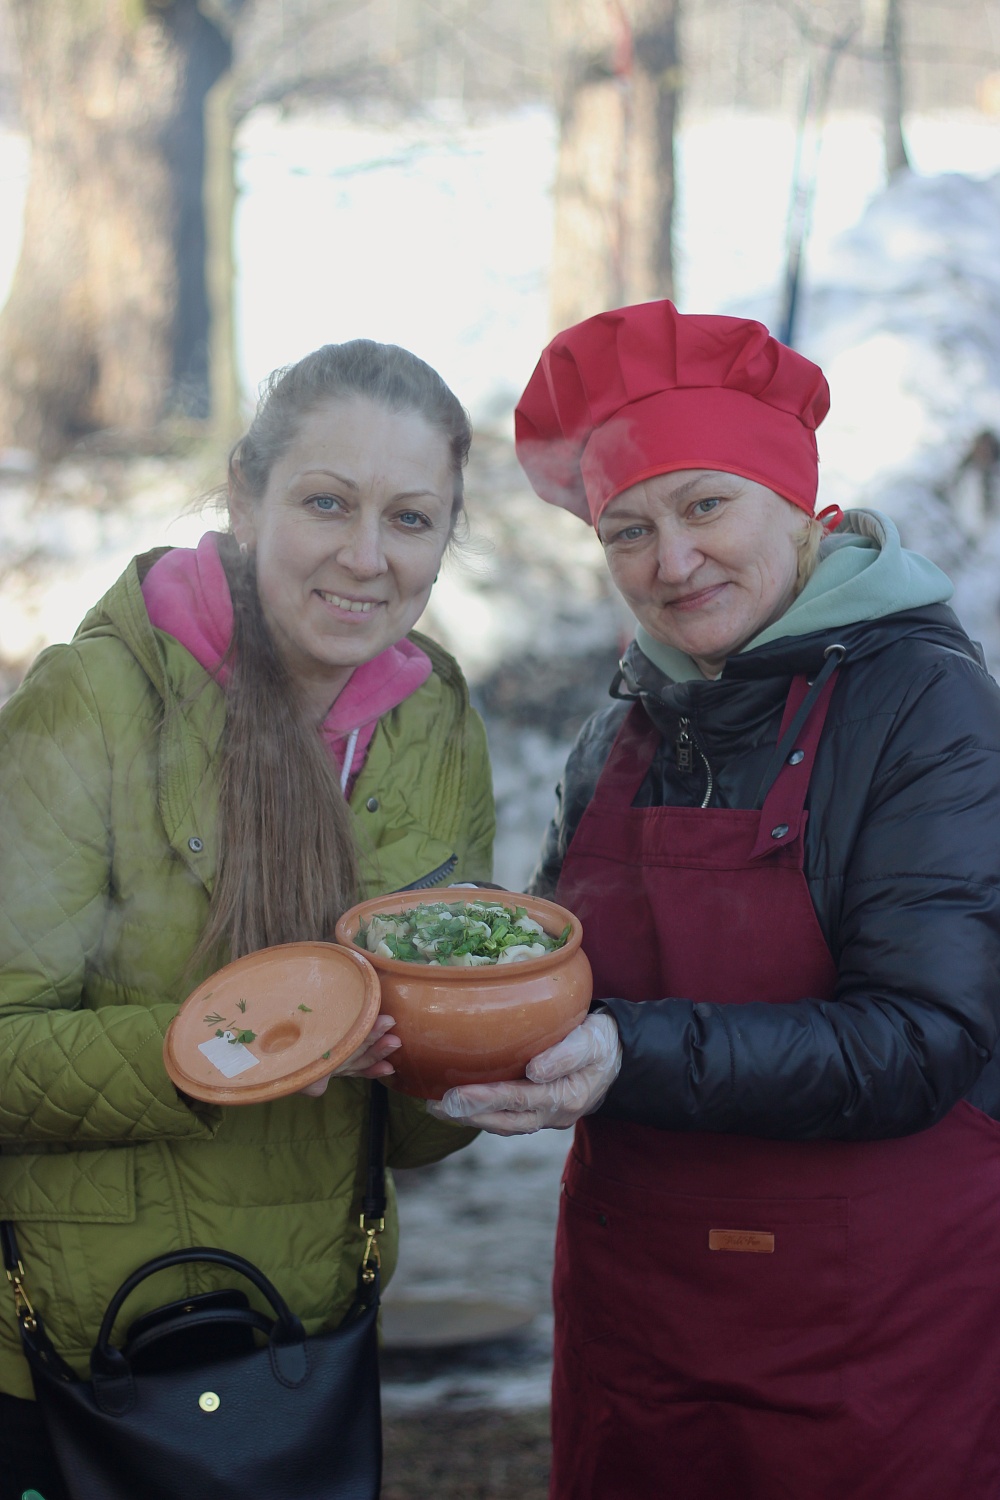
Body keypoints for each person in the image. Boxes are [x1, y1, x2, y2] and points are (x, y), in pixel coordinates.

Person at [429, 301, 1000, 1499]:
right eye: (626, 529)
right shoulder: (629, 717)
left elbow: (923, 1038)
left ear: (796, 504)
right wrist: (450, 996)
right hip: (638, 1320)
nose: (670, 563)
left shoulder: (922, 706)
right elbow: (563, 970)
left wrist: (625, 1050)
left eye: (704, 507)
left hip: (865, 1337)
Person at [0, 339, 493, 1500]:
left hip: (303, 1344)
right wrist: (224, 1051)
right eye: (328, 503)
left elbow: (420, 1132)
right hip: (78, 1360)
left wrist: (463, 1049)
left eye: (412, 520)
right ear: (246, 494)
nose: (366, 558)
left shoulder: (431, 724)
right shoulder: (94, 705)